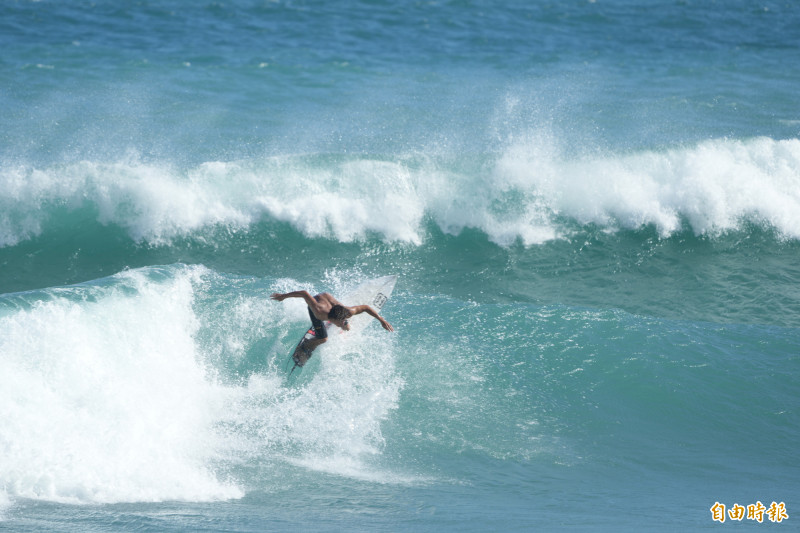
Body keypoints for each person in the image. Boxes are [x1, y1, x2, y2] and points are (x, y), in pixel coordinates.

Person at [270, 290, 394, 366]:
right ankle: (305, 346)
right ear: (331, 319)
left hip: (329, 300)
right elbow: (304, 293)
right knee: (323, 339)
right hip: (316, 306)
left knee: (347, 327)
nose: (341, 323)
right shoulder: (319, 312)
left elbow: (366, 307)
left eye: (342, 320)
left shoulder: (348, 311)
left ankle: (341, 324)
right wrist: (284, 296)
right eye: (339, 322)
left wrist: (381, 320)